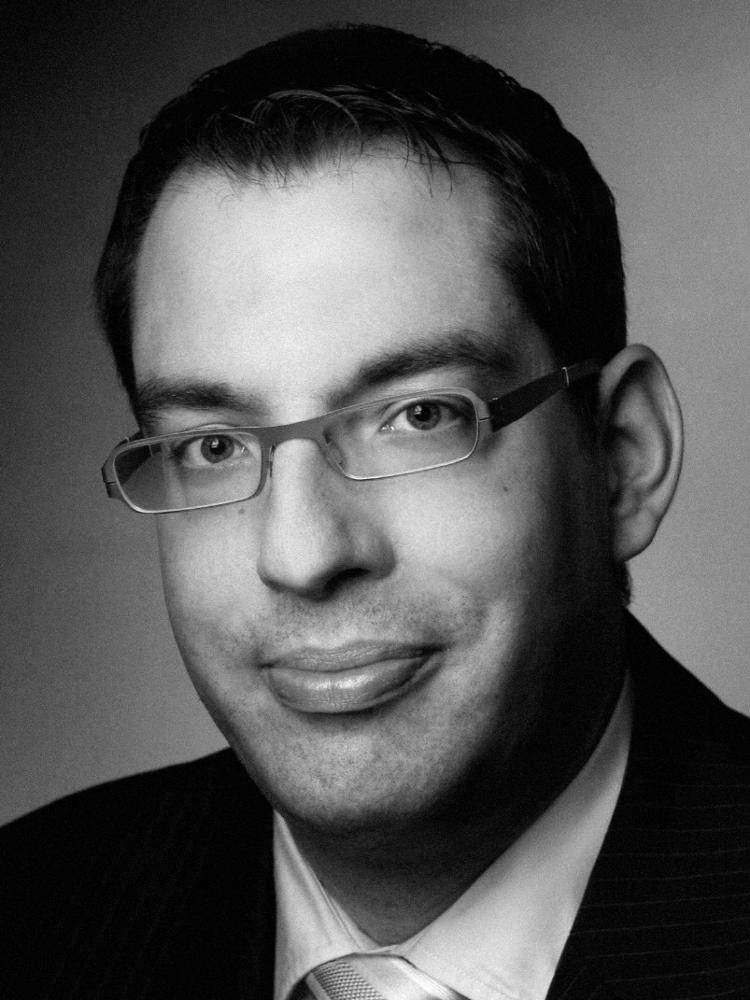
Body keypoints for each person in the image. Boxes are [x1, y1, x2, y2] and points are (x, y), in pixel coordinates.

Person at [2, 22, 749, 1000]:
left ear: (622, 458)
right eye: (213, 446)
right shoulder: (29, 918)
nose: (302, 553)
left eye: (418, 416)